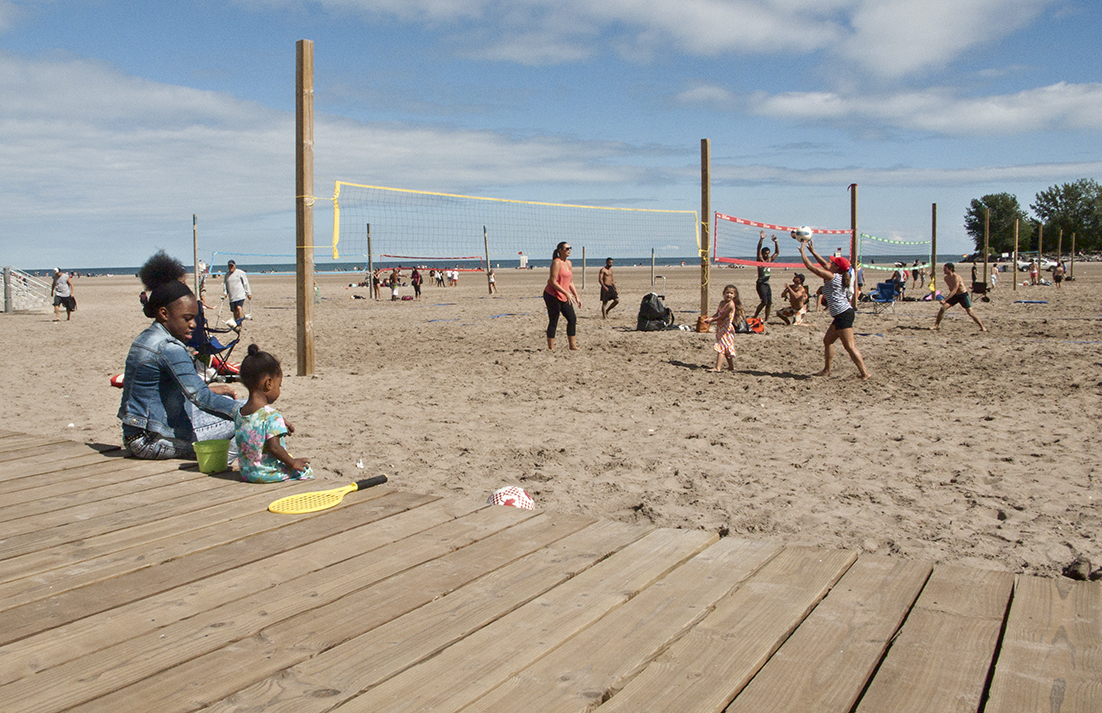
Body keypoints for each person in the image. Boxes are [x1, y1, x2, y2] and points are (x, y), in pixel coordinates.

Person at [118, 251, 241, 460]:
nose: (193, 324)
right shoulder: (169, 347)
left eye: (194, 318)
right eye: (187, 318)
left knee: (243, 407)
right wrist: (252, 412)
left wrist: (217, 390)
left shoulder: (146, 338)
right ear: (164, 313)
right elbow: (200, 397)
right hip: (152, 440)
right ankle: (218, 461)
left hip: (135, 434)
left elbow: (167, 388)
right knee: (254, 419)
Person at [234, 344, 313, 483]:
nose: (279, 389)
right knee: (306, 472)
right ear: (269, 384)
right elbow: (274, 447)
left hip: (247, 473)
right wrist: (292, 462)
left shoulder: (240, 413)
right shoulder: (271, 415)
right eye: (279, 385)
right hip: (265, 474)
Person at [800, 240, 870, 379]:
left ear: (837, 268)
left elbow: (810, 266)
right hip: (840, 315)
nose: (829, 264)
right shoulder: (839, 274)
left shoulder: (833, 277)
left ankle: (865, 373)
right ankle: (826, 370)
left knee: (850, 346)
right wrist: (813, 251)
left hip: (844, 314)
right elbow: (824, 264)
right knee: (828, 341)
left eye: (833, 263)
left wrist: (802, 250)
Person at [544, 241, 581, 350]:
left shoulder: (569, 263)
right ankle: (551, 347)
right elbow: (553, 281)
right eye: (567, 248)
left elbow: (570, 282)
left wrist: (576, 296)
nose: (569, 250)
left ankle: (572, 345)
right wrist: (566, 293)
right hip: (552, 295)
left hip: (565, 296)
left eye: (570, 248)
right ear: (560, 250)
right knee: (554, 320)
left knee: (572, 319)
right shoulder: (556, 262)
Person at [932, 263, 987, 332]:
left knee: (970, 312)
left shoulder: (956, 277)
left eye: (945, 269)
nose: (943, 270)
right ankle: (936, 326)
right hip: (955, 296)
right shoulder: (946, 278)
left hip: (963, 295)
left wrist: (945, 299)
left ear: (950, 269)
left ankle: (982, 327)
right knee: (943, 308)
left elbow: (955, 289)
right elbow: (951, 290)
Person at [702, 284, 743, 372]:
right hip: (720, 328)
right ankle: (731, 366)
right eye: (727, 293)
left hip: (726, 329)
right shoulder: (722, 303)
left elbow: (723, 317)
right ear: (723, 293)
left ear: (734, 295)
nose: (729, 295)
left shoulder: (731, 305)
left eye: (731, 293)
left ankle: (718, 367)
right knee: (726, 347)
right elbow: (718, 314)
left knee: (721, 347)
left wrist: (712, 320)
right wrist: (709, 318)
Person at [752, 230, 779, 326]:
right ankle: (755, 316)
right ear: (763, 254)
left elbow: (777, 252)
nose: (767, 255)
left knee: (769, 303)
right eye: (766, 253)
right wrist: (761, 239)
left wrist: (776, 242)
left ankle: (766, 319)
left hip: (767, 284)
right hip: (761, 283)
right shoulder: (760, 260)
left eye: (768, 253)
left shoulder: (769, 260)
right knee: (764, 302)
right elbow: (758, 249)